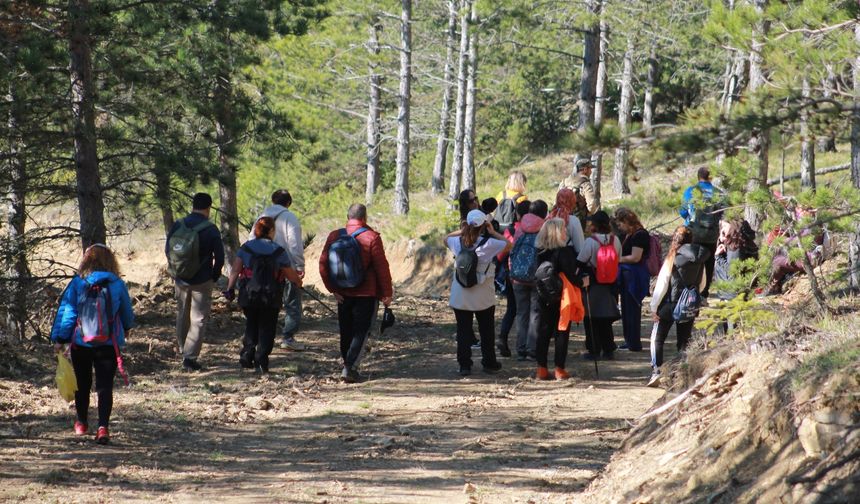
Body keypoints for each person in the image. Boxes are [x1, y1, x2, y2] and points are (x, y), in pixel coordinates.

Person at [50, 244, 135, 444]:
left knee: (83, 383)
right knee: (105, 386)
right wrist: (128, 327)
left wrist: (60, 339)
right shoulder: (117, 284)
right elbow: (127, 312)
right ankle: (103, 427)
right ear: (110, 260)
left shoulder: (78, 283)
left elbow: (68, 313)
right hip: (108, 343)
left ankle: (81, 423)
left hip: (81, 343)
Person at [319, 204, 393, 383]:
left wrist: (333, 289)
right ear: (365, 217)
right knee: (361, 331)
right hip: (366, 293)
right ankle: (350, 367)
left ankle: (347, 363)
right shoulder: (372, 237)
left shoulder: (334, 236)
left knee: (346, 330)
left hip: (343, 293)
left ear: (347, 216)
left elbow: (323, 265)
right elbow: (381, 267)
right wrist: (386, 294)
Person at [226, 217, 303, 374]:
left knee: (251, 323)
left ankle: (247, 354)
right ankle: (261, 361)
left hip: (249, 294)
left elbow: (235, 270)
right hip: (271, 295)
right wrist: (298, 282)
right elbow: (289, 274)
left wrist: (230, 288)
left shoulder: (246, 248)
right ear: (272, 231)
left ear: (256, 231)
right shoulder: (278, 251)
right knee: (267, 327)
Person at [444, 209, 511, 376]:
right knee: (486, 330)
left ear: (467, 224)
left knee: (463, 330)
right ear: (483, 226)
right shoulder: (489, 244)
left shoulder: (457, 242)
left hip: (461, 293)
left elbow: (445, 238)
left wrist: (463, 229)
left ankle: (464, 365)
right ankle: (489, 362)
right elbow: (509, 245)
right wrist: (493, 231)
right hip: (483, 294)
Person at [166, 193, 224, 371]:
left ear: (193, 205)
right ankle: (190, 357)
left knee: (182, 314)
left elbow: (168, 249)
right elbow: (220, 257)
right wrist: (214, 276)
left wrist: (176, 270)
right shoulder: (211, 229)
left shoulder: (178, 224)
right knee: (198, 318)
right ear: (208, 208)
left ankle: (184, 349)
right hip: (202, 279)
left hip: (181, 278)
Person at [648, 226, 710, 387]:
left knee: (657, 338)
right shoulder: (700, 257)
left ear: (675, 240)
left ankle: (657, 371)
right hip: (689, 304)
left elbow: (662, 284)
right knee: (684, 340)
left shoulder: (672, 257)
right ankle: (682, 373)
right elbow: (702, 284)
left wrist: (654, 307)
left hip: (669, 303)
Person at [250, 189, 306, 351]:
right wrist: (299, 267)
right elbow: (295, 244)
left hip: (263, 269)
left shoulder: (261, 216)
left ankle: (263, 337)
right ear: (289, 203)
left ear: (273, 200)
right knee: (292, 303)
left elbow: (251, 240)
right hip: (286, 266)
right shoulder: (290, 217)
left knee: (267, 304)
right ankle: (288, 337)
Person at [534, 218, 588, 380]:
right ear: (558, 232)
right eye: (563, 229)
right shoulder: (564, 252)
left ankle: (541, 369)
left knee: (543, 331)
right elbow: (571, 275)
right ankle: (559, 369)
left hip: (543, 294)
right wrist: (582, 282)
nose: (566, 232)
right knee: (561, 330)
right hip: (561, 295)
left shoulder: (539, 251)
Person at [577, 210, 621, 360]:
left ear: (594, 225)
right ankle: (609, 349)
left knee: (591, 319)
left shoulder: (590, 242)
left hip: (593, 284)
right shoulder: (616, 240)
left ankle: (594, 350)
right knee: (606, 318)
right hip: (610, 284)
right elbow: (619, 259)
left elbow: (581, 261)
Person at [510, 200, 549, 361]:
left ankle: (520, 350)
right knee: (535, 314)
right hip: (535, 278)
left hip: (518, 277)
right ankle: (532, 349)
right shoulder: (545, 229)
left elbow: (512, 252)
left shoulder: (520, 229)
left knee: (521, 314)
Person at [680, 167, 722, 298]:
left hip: (693, 233)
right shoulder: (718, 193)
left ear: (698, 177)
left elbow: (682, 211)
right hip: (711, 234)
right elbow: (723, 212)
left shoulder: (691, 191)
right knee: (709, 262)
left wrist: (688, 218)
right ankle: (705, 292)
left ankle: (691, 290)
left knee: (692, 260)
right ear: (710, 178)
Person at [496, 199, 531, 357]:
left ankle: (503, 337)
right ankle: (528, 345)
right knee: (530, 311)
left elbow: (500, 254)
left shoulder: (511, 230)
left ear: (516, 213)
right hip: (533, 275)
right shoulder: (537, 230)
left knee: (512, 308)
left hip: (512, 275)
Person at [614, 208, 650, 352]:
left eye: (620, 224)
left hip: (635, 275)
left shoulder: (639, 235)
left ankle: (634, 342)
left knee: (632, 309)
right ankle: (629, 340)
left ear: (626, 221)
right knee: (626, 309)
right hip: (628, 274)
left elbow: (636, 257)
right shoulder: (630, 235)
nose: (619, 227)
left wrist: (616, 260)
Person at [713, 218, 758, 301]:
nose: (721, 235)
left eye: (723, 230)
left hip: (734, 293)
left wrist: (718, 257)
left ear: (732, 227)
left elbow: (732, 272)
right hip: (742, 289)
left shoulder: (736, 247)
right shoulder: (744, 240)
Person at [547, 188, 585, 254]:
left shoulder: (549, 217)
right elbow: (580, 248)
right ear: (572, 201)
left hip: (549, 258)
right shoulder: (573, 220)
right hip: (565, 260)